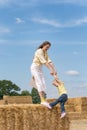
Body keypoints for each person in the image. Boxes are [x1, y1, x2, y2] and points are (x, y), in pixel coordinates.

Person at [30, 41, 59, 109]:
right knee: (39, 83)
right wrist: (51, 70)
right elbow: (45, 62)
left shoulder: (45, 52)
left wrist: (54, 70)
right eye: (47, 47)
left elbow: (49, 61)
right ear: (43, 45)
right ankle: (42, 100)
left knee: (43, 83)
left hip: (39, 69)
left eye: (48, 48)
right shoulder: (39, 51)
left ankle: (44, 100)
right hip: (34, 68)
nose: (47, 49)